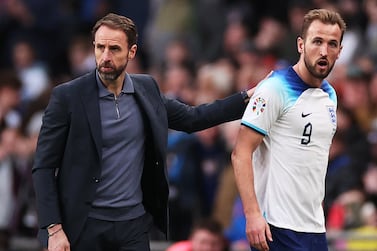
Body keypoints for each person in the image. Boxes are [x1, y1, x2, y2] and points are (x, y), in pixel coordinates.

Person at [32, 13, 254, 251]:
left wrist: (246, 98)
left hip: (133, 225)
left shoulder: (147, 89)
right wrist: (53, 229)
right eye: (100, 47)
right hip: (83, 225)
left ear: (132, 51)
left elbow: (192, 118)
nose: (105, 56)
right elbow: (43, 167)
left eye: (114, 49)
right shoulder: (68, 97)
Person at [231, 8, 346, 251]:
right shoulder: (274, 89)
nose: (324, 51)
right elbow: (240, 153)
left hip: (314, 228)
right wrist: (252, 215)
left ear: (340, 51)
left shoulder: (330, 96)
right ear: (301, 45)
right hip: (276, 228)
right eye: (317, 42)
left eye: (332, 44)